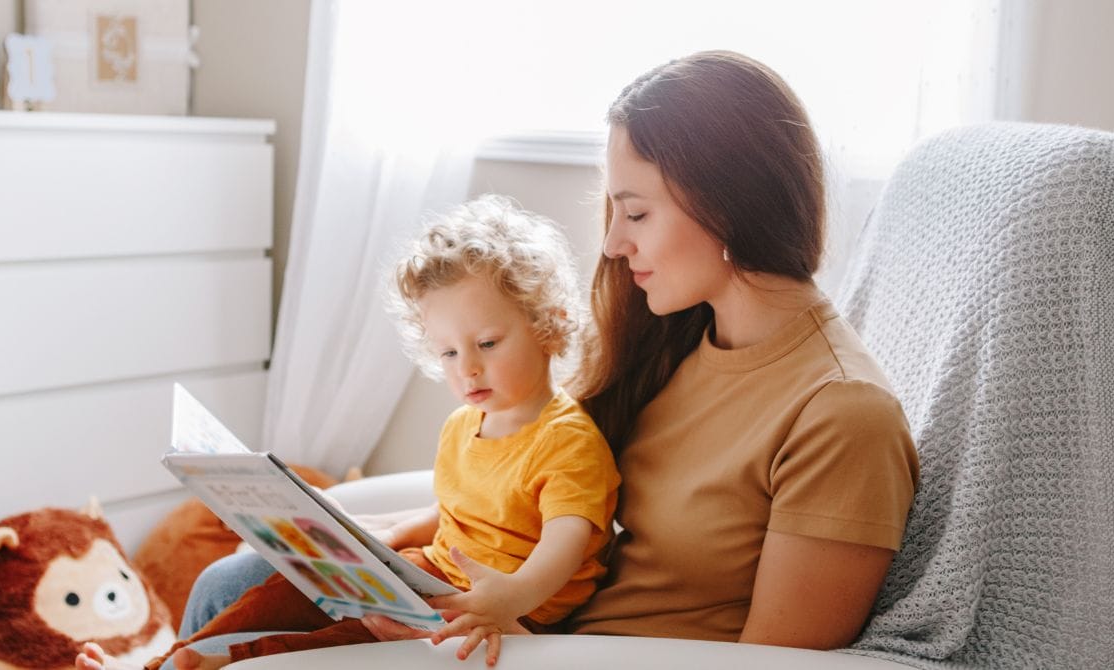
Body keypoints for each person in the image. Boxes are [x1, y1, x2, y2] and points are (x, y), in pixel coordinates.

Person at [99, 48, 921, 664]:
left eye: (634, 212)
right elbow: (540, 479)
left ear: (724, 199)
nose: (611, 242)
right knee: (229, 580)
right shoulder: (684, 337)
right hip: (520, 629)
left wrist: (478, 628)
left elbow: (774, 668)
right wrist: (389, 546)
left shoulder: (840, 417)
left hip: (555, 654)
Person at [77, 196, 620, 670]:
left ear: (547, 324)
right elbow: (459, 508)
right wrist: (379, 538)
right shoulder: (464, 425)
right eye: (449, 352)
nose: (467, 369)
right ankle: (167, 661)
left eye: (488, 343)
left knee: (351, 639)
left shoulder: (568, 442)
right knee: (279, 590)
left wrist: (509, 598)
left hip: (503, 614)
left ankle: (217, 663)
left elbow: (564, 545)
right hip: (432, 580)